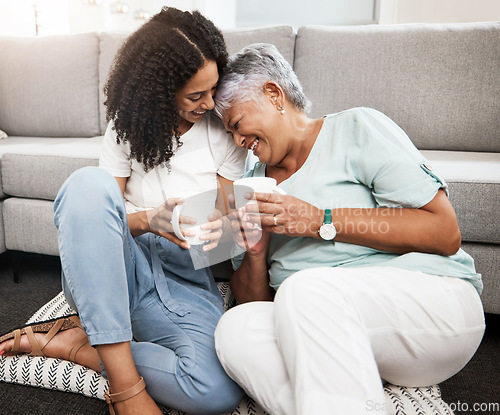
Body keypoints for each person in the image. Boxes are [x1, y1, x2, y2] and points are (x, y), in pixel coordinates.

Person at [213, 43, 485, 415]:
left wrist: (319, 220)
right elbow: (258, 304)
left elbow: (444, 231)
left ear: (273, 94)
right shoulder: (251, 185)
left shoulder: (357, 128)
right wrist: (257, 253)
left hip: (430, 307)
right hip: (334, 333)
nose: (237, 141)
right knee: (235, 329)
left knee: (304, 288)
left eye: (237, 125)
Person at [0, 8, 246, 415]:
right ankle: (126, 388)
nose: (209, 103)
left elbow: (224, 233)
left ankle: (82, 344)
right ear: (161, 89)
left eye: (213, 89)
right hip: (111, 272)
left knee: (216, 390)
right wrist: (149, 220)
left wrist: (225, 230)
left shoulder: (226, 131)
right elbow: (97, 213)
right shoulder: (125, 126)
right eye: (195, 96)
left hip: (186, 282)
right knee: (86, 183)